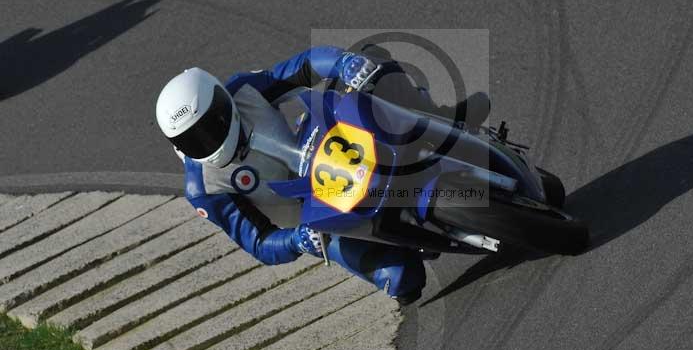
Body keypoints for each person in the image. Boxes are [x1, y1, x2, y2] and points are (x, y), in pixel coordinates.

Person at [156, 46, 488, 304]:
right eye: (192, 139)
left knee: (374, 61)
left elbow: (305, 66)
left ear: (220, 99)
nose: (208, 140)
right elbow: (257, 241)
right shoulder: (203, 188)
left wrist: (344, 64)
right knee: (402, 279)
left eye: (209, 125)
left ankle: (443, 121)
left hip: (321, 148)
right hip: (317, 219)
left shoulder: (243, 90)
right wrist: (296, 241)